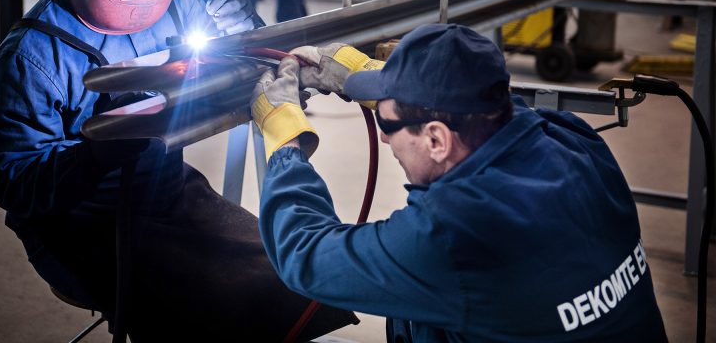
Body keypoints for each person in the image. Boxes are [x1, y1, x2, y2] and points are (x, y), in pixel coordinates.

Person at [0, 0, 355, 341]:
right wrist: (96, 154)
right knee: (211, 309)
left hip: (171, 193)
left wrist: (244, 32)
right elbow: (14, 184)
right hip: (83, 226)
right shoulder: (33, 56)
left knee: (296, 271)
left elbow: (228, 65)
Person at [251, 23, 669, 342]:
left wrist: (286, 141)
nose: (382, 135)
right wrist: (393, 81)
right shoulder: (574, 139)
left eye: (389, 123)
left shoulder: (453, 236)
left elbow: (304, 255)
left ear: (436, 138)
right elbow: (508, 107)